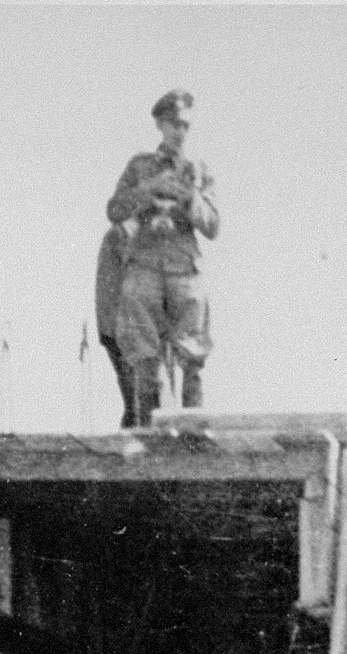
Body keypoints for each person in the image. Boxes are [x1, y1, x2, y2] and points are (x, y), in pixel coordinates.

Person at [106, 89, 218, 426]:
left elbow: (213, 226)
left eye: (184, 125)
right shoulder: (140, 166)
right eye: (172, 124)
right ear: (159, 125)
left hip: (184, 270)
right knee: (144, 359)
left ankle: (193, 437)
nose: (179, 132)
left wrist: (190, 197)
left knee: (194, 358)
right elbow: (114, 209)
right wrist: (147, 189)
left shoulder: (198, 170)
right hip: (146, 266)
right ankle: (146, 434)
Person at [94, 221, 138, 428]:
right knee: (136, 403)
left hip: (126, 330)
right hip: (123, 332)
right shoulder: (119, 235)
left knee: (141, 403)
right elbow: (109, 293)